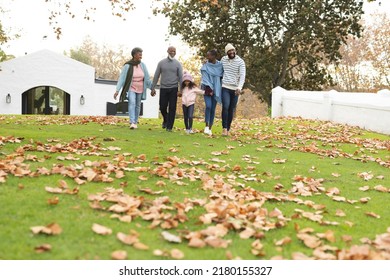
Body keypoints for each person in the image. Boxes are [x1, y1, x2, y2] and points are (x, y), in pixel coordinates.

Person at [114, 47, 152, 129]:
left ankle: (135, 122)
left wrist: (152, 88)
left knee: (138, 105)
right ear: (134, 55)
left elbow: (147, 79)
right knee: (132, 103)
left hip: (141, 88)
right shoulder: (128, 66)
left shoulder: (143, 65)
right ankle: (131, 122)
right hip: (131, 87)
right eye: (139, 54)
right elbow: (122, 78)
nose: (141, 56)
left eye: (141, 54)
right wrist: (117, 90)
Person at [151, 46, 183, 132]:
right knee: (162, 107)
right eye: (171, 51)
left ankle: (169, 127)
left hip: (174, 88)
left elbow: (181, 78)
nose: (172, 52)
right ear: (167, 51)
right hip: (163, 88)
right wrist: (152, 88)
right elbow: (156, 75)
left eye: (174, 51)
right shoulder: (161, 63)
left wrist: (181, 90)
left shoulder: (178, 64)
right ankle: (166, 119)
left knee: (172, 107)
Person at [220, 43, 246, 136]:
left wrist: (239, 87)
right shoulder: (223, 59)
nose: (231, 52)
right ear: (227, 52)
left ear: (235, 51)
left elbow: (242, 75)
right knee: (225, 106)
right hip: (225, 86)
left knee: (231, 108)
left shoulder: (240, 62)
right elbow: (219, 70)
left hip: (235, 89)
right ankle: (224, 128)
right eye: (229, 51)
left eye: (232, 50)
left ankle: (228, 128)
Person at [200, 49, 223, 136]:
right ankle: (206, 125)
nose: (207, 57)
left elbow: (222, 75)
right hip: (207, 88)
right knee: (208, 106)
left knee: (213, 108)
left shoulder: (220, 65)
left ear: (214, 56)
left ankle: (210, 128)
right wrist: (210, 89)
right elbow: (205, 79)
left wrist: (215, 89)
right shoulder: (205, 66)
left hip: (217, 88)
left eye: (209, 55)